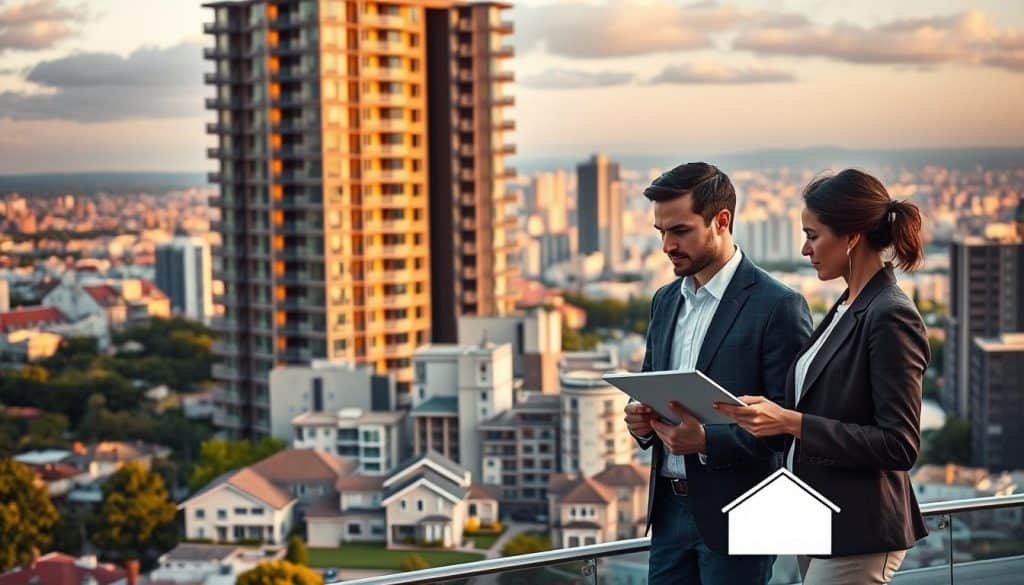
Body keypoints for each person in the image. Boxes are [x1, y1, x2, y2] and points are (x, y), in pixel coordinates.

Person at [714, 169, 930, 585]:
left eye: (813, 235)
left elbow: (899, 445)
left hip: (862, 530)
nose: (804, 248)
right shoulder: (850, 304)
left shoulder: (890, 314)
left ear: (851, 236)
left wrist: (790, 422)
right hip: (819, 520)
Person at [623, 162, 812, 585]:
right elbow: (652, 386)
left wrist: (707, 440)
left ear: (721, 221)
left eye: (680, 231)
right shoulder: (665, 301)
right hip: (669, 514)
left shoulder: (778, 306)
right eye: (660, 232)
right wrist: (641, 422)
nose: (667, 245)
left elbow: (790, 426)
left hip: (743, 514)